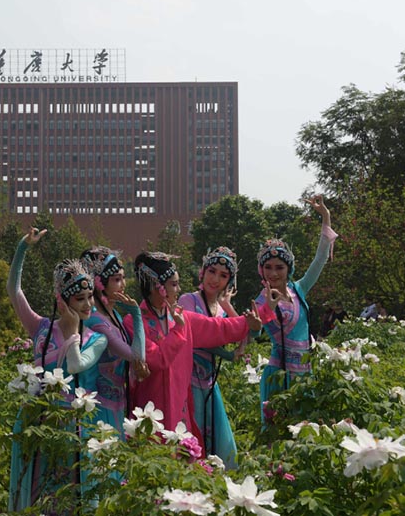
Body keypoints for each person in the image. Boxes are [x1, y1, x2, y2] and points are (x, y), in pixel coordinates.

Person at [6, 227, 106, 511]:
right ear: (62, 299)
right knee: (34, 490)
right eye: (80, 299)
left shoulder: (95, 340)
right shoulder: (41, 328)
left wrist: (74, 333)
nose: (88, 304)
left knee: (64, 495)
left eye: (90, 297)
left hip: (68, 425)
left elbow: (74, 365)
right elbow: (14, 290)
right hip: (34, 418)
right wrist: (23, 247)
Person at [125, 251, 263, 453]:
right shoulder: (135, 321)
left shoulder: (180, 316)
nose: (179, 289)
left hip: (179, 402)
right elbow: (156, 360)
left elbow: (219, 328)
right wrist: (179, 330)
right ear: (158, 287)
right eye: (174, 284)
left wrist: (248, 323)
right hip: (150, 407)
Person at [253, 195, 336, 426]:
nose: (273, 273)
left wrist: (326, 217)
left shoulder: (299, 289)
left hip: (305, 372)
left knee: (305, 431)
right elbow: (253, 329)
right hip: (280, 374)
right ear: (262, 271)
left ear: (288, 269)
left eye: (279, 267)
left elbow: (320, 259)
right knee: (277, 434)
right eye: (268, 268)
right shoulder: (262, 299)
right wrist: (267, 308)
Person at [178, 246, 243, 469]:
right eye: (212, 271)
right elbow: (197, 337)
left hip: (209, 384)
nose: (215, 279)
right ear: (202, 272)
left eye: (223, 276)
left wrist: (228, 306)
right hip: (188, 382)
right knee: (191, 441)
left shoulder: (222, 309)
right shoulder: (188, 301)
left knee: (222, 446)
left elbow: (247, 333)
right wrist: (226, 353)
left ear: (229, 282)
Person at [80, 246, 149, 436]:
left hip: (118, 403)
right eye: (116, 280)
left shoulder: (114, 314)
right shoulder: (96, 321)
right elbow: (136, 355)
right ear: (100, 283)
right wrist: (136, 314)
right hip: (100, 407)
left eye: (123, 278)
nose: (123, 285)